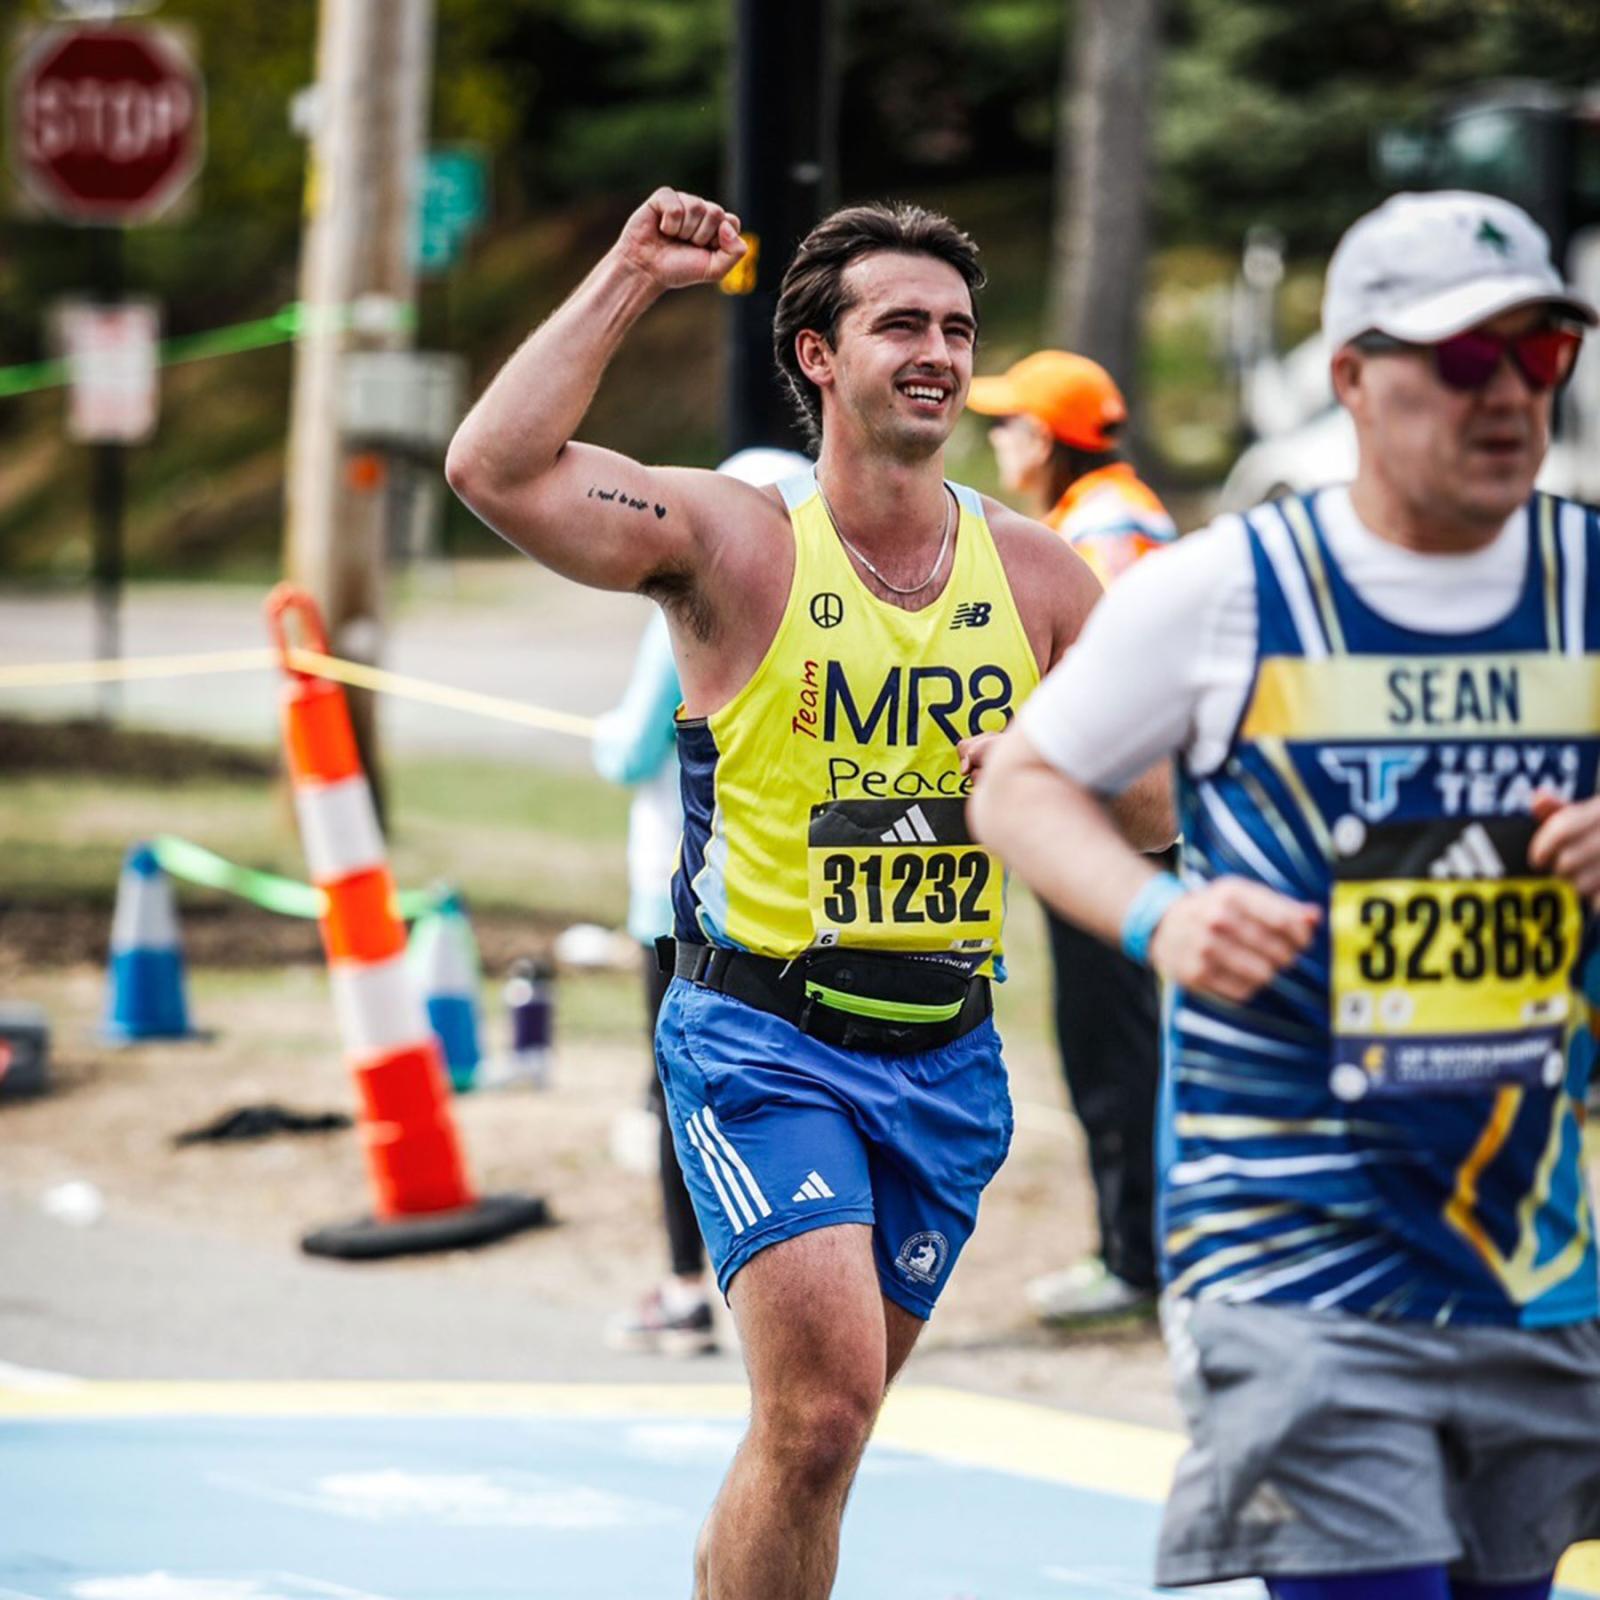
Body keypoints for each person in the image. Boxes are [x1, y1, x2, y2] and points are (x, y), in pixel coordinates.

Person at [446, 187, 1172, 1600]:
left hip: (947, 1061)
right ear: (818, 356)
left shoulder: (1039, 573)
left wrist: (1048, 767)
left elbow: (1161, 810)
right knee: (823, 1412)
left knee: (815, 1441)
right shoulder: (736, 539)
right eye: (901, 321)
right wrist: (628, 276)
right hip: (764, 1041)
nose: (940, 352)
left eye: (958, 328)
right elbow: (495, 468)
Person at [970, 189, 1600, 1597]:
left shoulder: (1588, 580)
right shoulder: (1227, 590)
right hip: (1292, 1249)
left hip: (1532, 1255)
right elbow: (1017, 783)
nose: (1507, 394)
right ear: (1353, 381)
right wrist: (1158, 918)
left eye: (1540, 355)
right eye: (1461, 359)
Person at [968, 350, 1176, 1324]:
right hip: (1100, 815)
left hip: (1106, 825)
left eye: (1007, 424)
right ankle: (1135, 1248)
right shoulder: (1105, 511)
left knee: (1112, 1038)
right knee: (1115, 1034)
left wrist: (1029, 747)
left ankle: (1135, 1257)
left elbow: (1124, 683)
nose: (996, 438)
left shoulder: (1100, 527)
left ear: (1045, 440)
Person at [597, 446, 810, 1358]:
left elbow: (628, 750)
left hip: (680, 896)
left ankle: (689, 1288)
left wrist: (604, 736)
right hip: (798, 901)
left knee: (682, 1093)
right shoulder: (825, 597)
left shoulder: (694, 589)